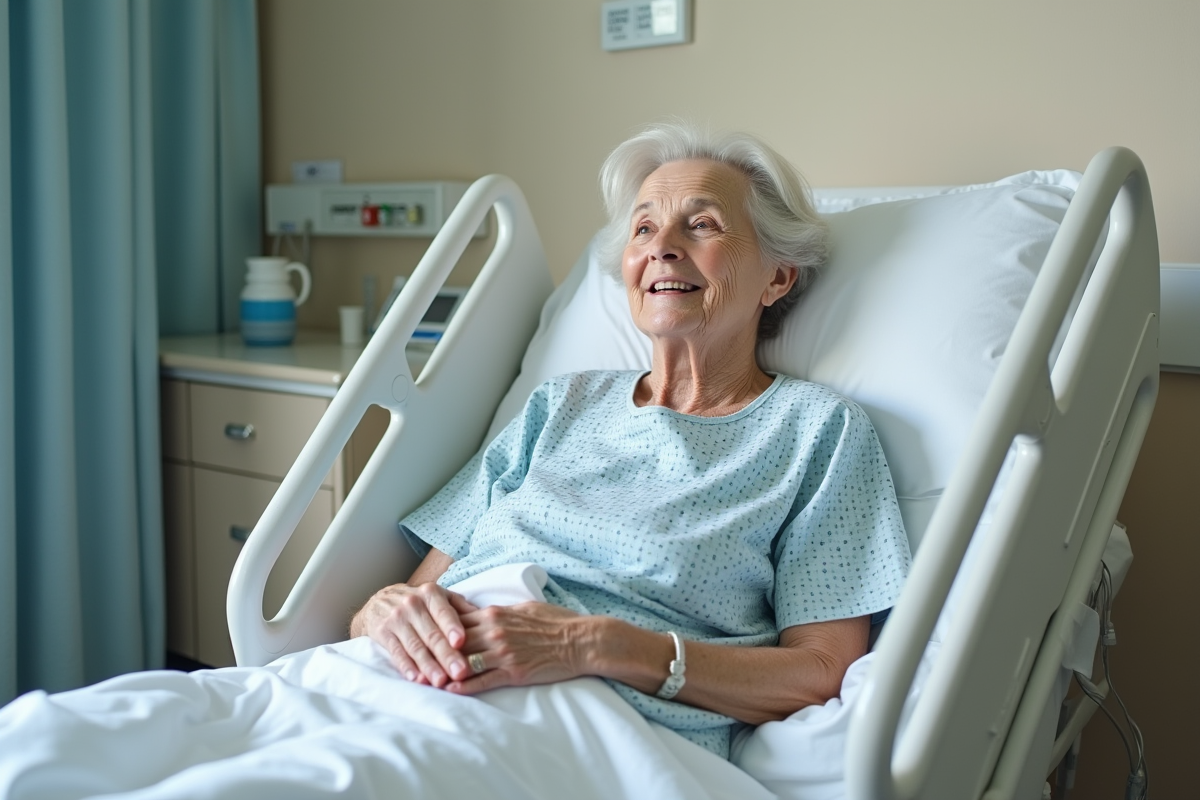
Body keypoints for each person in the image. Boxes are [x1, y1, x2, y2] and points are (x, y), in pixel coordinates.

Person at [350, 121, 912, 757]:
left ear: (777, 277)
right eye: (643, 228)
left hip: (576, 726)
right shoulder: (560, 403)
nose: (661, 247)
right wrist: (381, 613)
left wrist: (597, 645)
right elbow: (420, 589)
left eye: (702, 225)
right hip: (406, 683)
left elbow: (819, 672)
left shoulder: (815, 432)